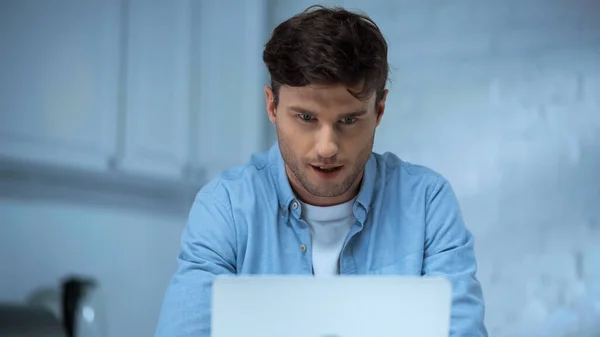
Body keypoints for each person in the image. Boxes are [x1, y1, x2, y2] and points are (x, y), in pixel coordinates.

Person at [155, 5, 487, 337]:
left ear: (380, 109)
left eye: (348, 120)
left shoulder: (427, 204)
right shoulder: (225, 207)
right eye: (306, 118)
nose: (327, 147)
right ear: (272, 106)